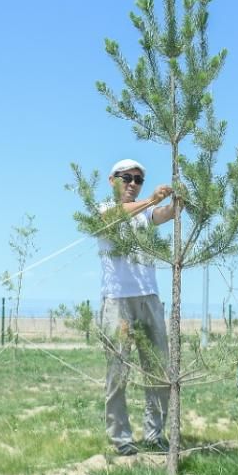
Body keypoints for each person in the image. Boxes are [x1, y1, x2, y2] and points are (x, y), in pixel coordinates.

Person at [97, 158, 175, 456]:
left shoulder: (144, 214)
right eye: (125, 178)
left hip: (149, 297)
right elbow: (116, 216)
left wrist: (175, 202)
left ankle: (155, 434)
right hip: (117, 300)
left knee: (158, 369)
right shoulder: (105, 210)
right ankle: (121, 438)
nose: (131, 183)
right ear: (112, 180)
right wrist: (151, 199)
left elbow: (161, 214)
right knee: (118, 371)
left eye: (137, 179)